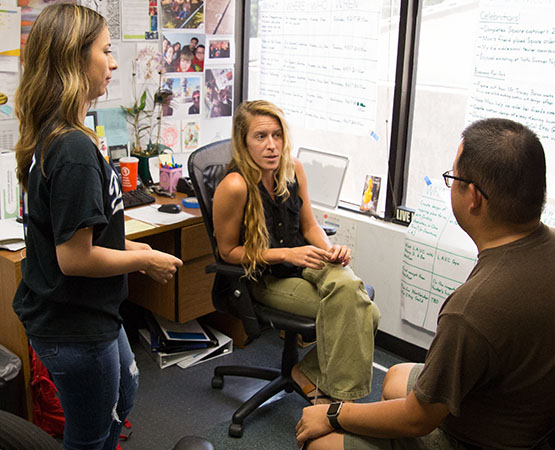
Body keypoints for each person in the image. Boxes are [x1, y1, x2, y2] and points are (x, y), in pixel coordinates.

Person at [296, 118, 555, 450]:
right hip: (525, 413)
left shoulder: (471, 309)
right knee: (393, 377)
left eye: (454, 179)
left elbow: (418, 419)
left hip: (480, 439)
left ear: (473, 197)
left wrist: (334, 414)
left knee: (320, 442)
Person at [12, 4, 183, 450]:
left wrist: (132, 254)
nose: (112, 63)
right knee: (89, 436)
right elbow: (75, 258)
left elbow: (89, 232)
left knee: (122, 397)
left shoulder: (66, 135)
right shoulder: (71, 149)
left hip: (91, 315)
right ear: (73, 58)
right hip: (74, 324)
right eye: (105, 52)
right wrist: (144, 258)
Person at [212, 100, 380, 405]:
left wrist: (330, 252)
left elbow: (310, 225)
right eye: (260, 137)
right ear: (243, 141)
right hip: (265, 277)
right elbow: (227, 252)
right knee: (366, 312)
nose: (272, 146)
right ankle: (340, 401)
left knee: (351, 291)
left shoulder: (294, 169)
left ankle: (308, 374)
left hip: (305, 260)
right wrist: (285, 255)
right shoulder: (235, 186)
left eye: (277, 135)